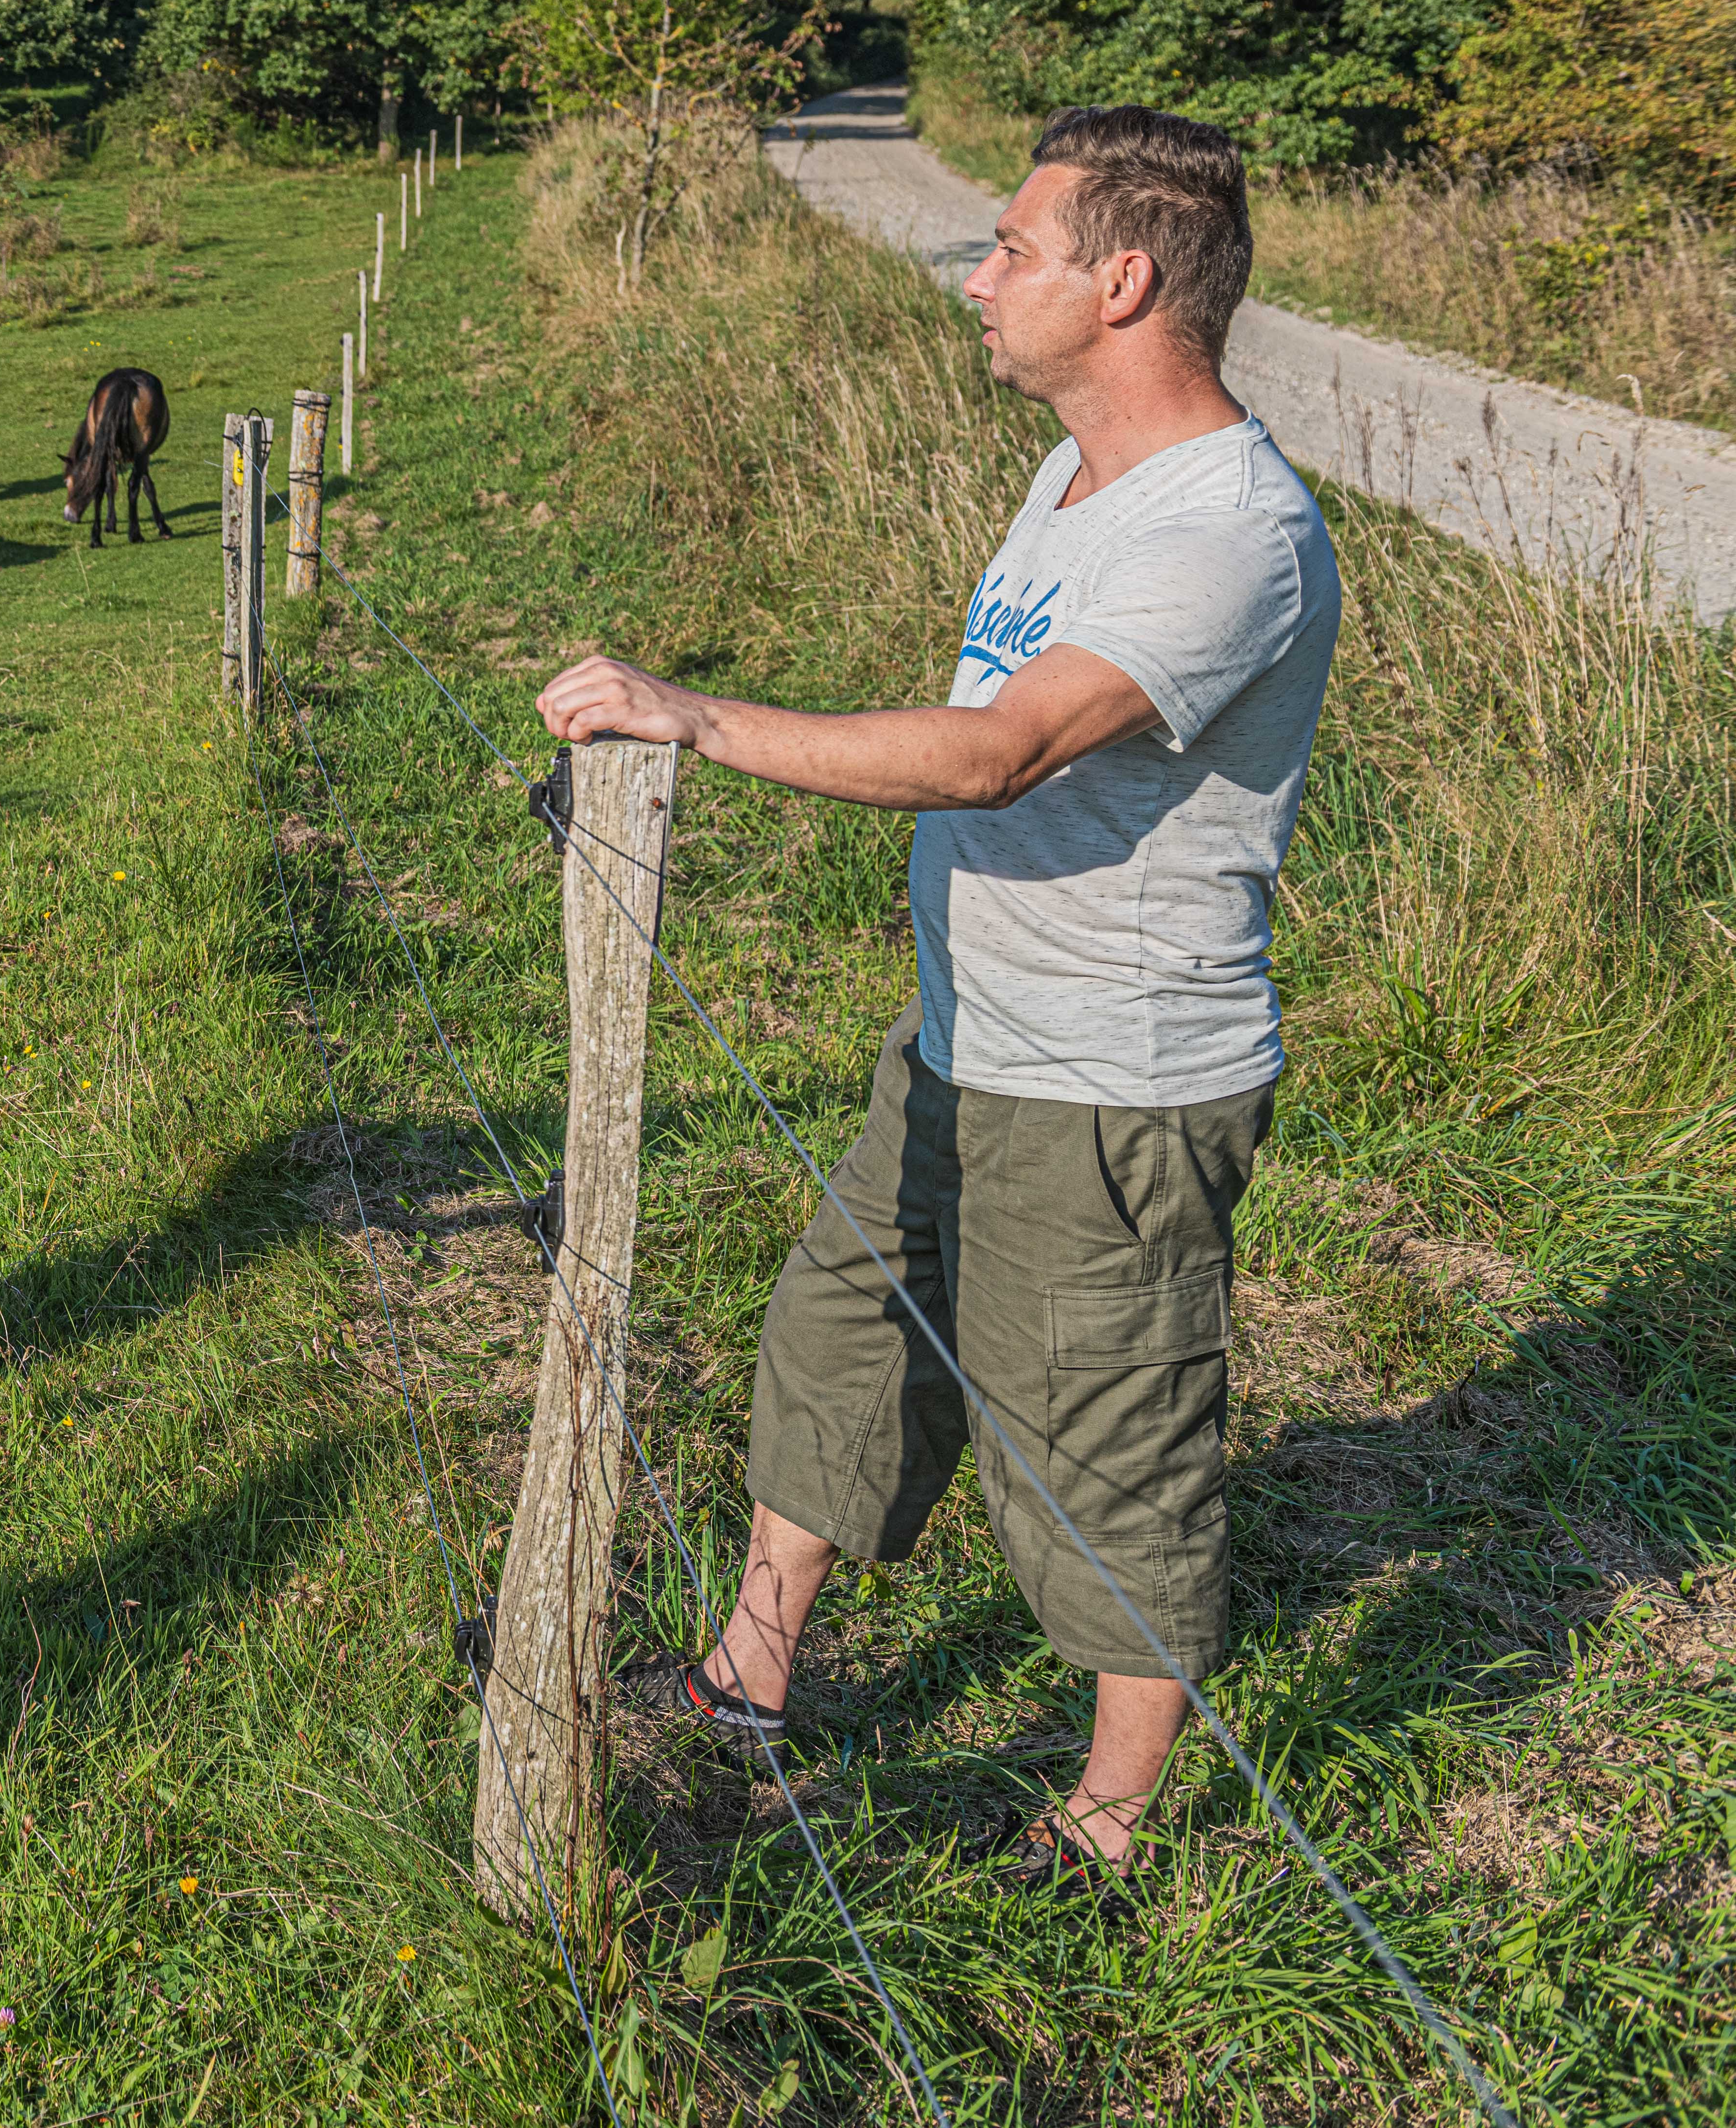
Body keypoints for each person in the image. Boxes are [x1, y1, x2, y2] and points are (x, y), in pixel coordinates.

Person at [536, 105, 1338, 1897]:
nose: (976, 278)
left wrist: (703, 718)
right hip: (968, 1032)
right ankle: (750, 1678)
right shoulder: (1075, 473)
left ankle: (1108, 1836)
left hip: (1114, 1083)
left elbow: (998, 755)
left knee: (1106, 1447)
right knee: (839, 1341)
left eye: (1013, 251)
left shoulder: (1233, 534)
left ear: (1123, 282)